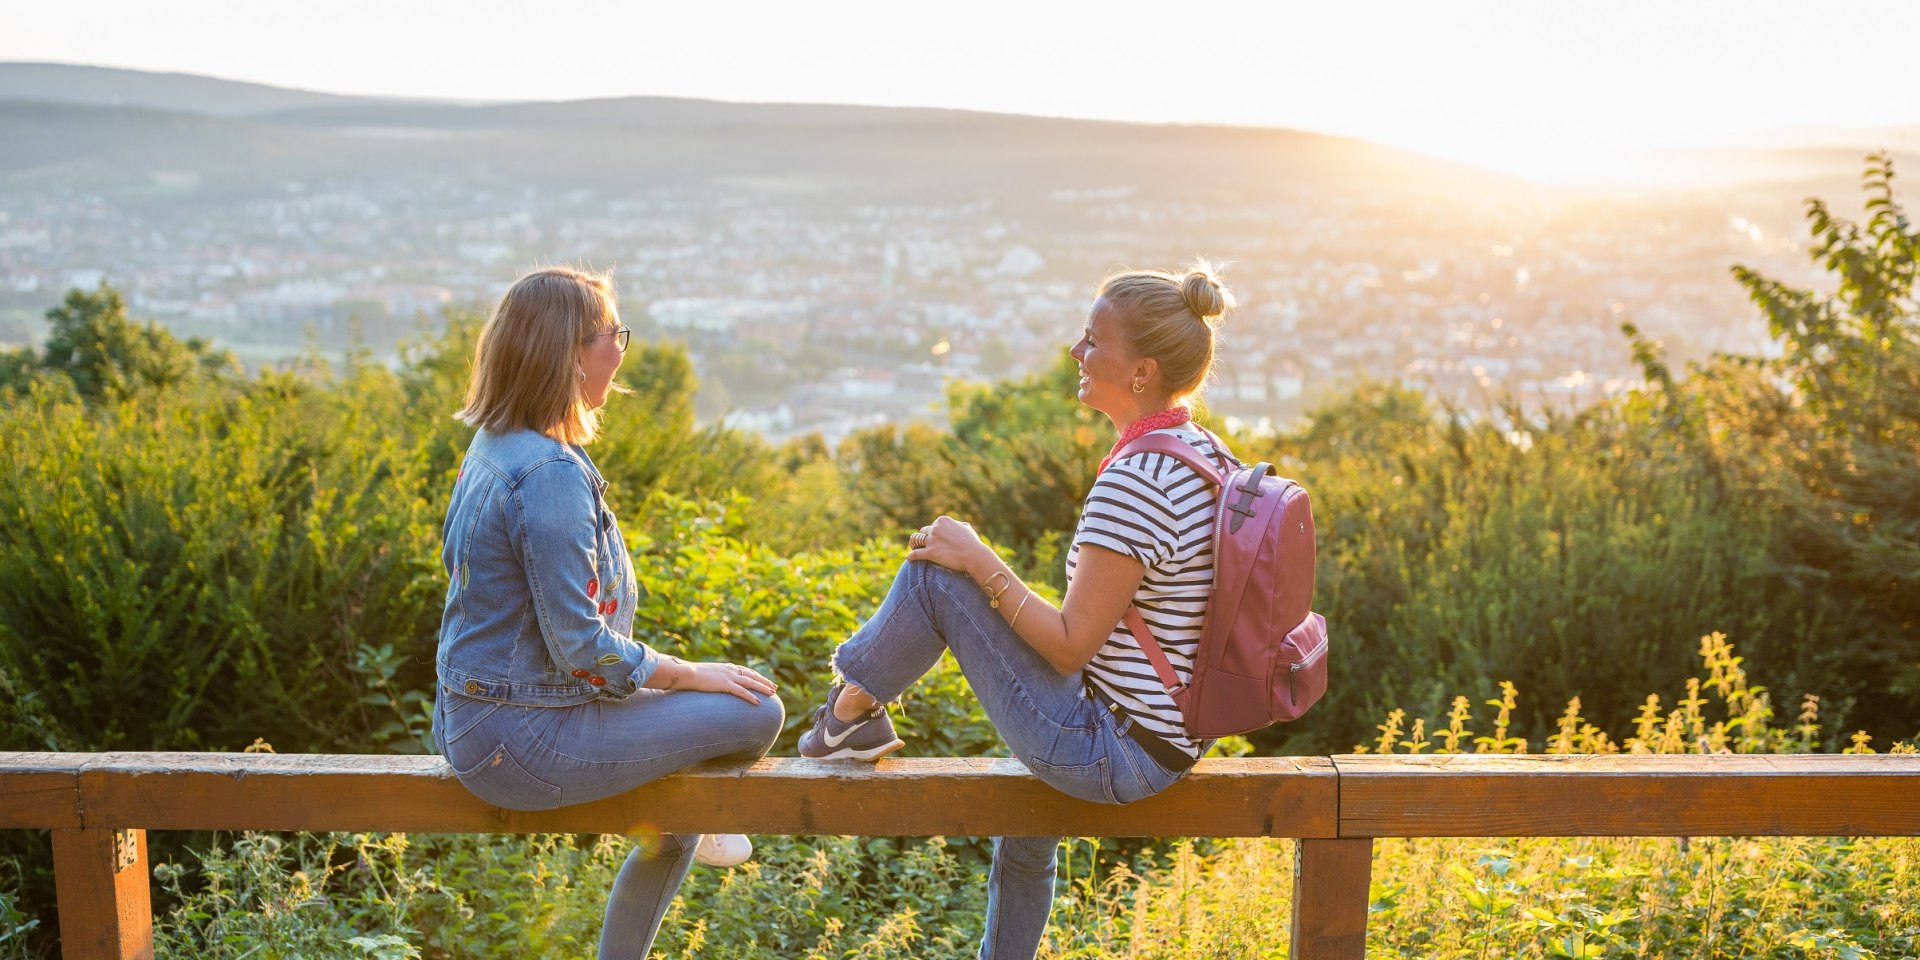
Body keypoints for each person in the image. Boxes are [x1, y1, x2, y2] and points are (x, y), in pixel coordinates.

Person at [799, 260, 1239, 959]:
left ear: (1142, 372)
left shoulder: (1137, 482)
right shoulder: (1204, 454)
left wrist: (978, 560)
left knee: (936, 577)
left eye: (1093, 340)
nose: (1076, 351)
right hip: (1171, 732)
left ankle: (847, 714)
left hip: (1116, 749)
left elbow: (1069, 647)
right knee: (1025, 814)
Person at [431, 266, 784, 960]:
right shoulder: (550, 475)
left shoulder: (495, 448)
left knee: (683, 806)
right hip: (520, 738)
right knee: (756, 711)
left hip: (474, 717)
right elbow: (583, 649)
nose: (621, 350)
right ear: (566, 352)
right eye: (610, 335)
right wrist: (688, 673)